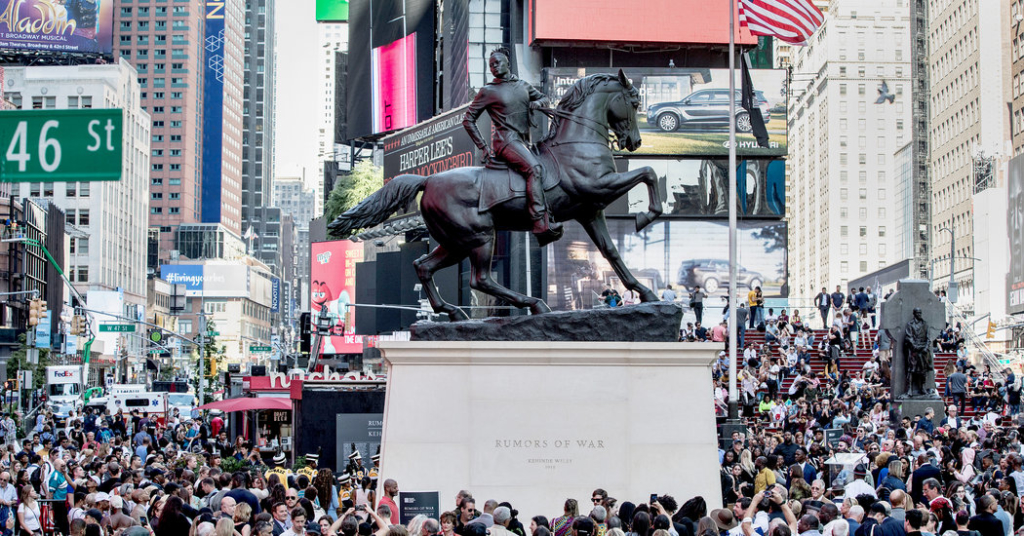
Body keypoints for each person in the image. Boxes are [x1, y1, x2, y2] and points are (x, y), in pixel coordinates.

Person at [463, 47, 559, 244]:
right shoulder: (488, 91)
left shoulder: (522, 85)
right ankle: (540, 222)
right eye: (491, 65)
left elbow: (543, 98)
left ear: (507, 62)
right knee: (535, 169)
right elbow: (468, 119)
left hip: (524, 142)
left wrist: (538, 104)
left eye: (497, 62)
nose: (494, 67)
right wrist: (483, 146)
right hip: (506, 141)